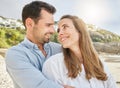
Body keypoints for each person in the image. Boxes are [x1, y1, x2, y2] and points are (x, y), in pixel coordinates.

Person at [5, 1, 73, 88]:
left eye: (53, 25)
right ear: (30, 23)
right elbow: (39, 86)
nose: (53, 31)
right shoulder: (15, 54)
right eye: (48, 25)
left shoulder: (59, 49)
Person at [42, 15, 118, 88]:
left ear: (80, 31)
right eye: (58, 30)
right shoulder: (53, 65)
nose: (60, 33)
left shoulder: (100, 64)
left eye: (65, 27)